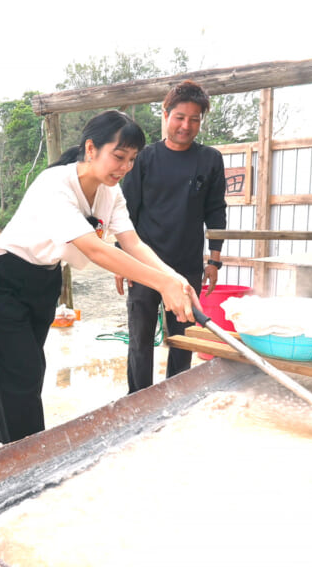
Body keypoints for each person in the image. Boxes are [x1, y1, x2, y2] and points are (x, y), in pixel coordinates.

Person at [0, 110, 199, 445]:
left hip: (44, 280)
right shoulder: (55, 185)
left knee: (27, 372)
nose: (124, 168)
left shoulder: (111, 193)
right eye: (118, 156)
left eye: (132, 160)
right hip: (4, 278)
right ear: (91, 148)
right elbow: (95, 250)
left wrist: (175, 277)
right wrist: (161, 283)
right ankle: (28, 453)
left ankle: (13, 445)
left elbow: (133, 242)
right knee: (21, 373)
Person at [119, 80, 228, 394]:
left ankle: (176, 396)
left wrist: (214, 261)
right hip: (143, 267)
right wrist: (120, 262)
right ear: (165, 114)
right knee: (140, 340)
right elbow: (127, 212)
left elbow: (216, 211)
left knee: (183, 339)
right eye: (180, 117)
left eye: (195, 119)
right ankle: (138, 399)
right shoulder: (143, 158)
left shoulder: (209, 160)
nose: (186, 125)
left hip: (186, 267)